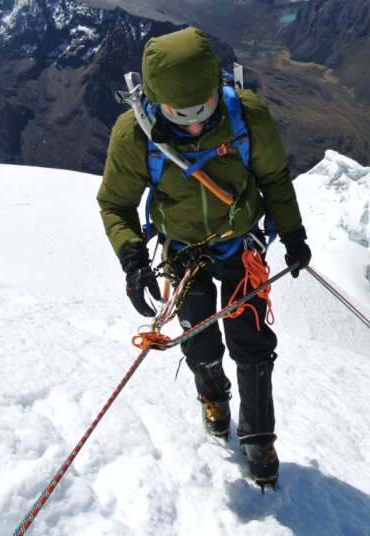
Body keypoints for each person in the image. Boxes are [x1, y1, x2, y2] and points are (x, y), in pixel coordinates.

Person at [96, 27, 311, 488]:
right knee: (200, 342)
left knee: (251, 344)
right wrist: (131, 257)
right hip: (183, 252)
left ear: (218, 89)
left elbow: (274, 178)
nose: (194, 125)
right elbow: (115, 203)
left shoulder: (247, 116)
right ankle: (213, 397)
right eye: (180, 114)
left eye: (204, 109)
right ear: (155, 102)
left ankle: (258, 437)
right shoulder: (135, 134)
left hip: (240, 248)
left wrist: (292, 235)